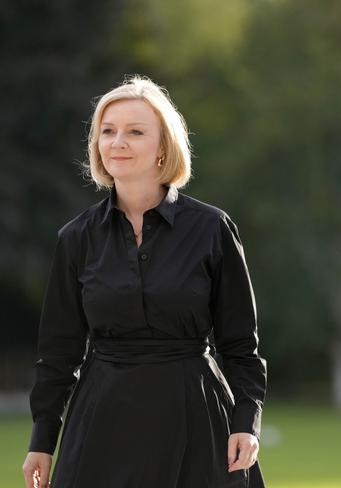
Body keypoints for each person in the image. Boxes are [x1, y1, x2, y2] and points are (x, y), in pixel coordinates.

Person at [22, 75, 267, 488]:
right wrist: (42, 440)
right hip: (102, 421)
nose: (118, 142)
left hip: (196, 417)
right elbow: (58, 352)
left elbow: (241, 344)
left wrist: (246, 422)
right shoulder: (76, 238)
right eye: (108, 131)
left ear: (163, 147)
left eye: (135, 132)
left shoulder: (212, 229)